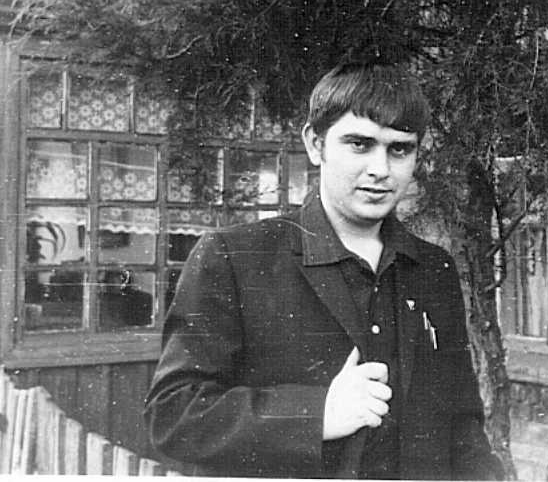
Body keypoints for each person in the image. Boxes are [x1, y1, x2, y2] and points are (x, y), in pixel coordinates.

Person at [144, 61, 505, 480]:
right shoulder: (235, 257)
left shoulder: (432, 268)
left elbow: (463, 427)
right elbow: (174, 414)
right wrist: (317, 414)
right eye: (359, 144)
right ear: (316, 145)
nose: (380, 169)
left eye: (399, 149)